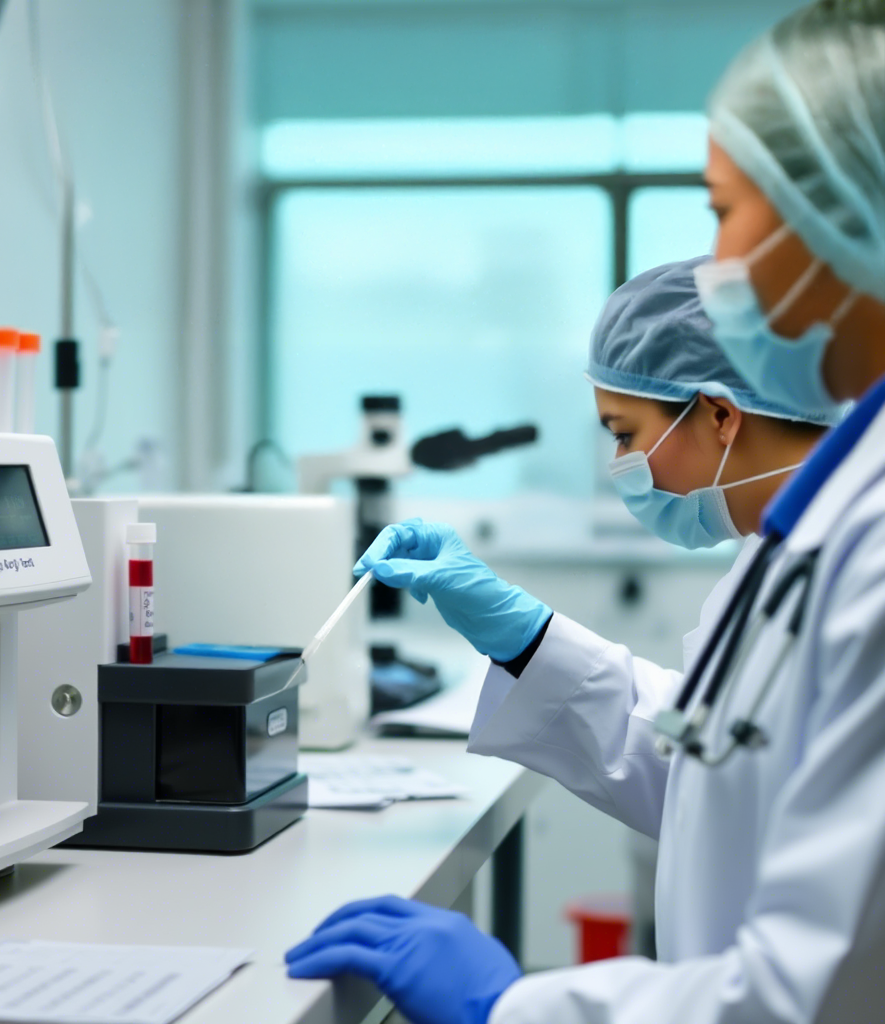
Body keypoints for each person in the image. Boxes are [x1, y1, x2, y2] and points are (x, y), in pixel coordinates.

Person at [285, 3, 885, 1021]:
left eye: (724, 210)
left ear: (838, 216)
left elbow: (814, 990)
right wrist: (526, 638)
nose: (720, 267)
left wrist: (514, 1005)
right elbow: (715, 769)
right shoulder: (810, 535)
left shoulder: (864, 544)